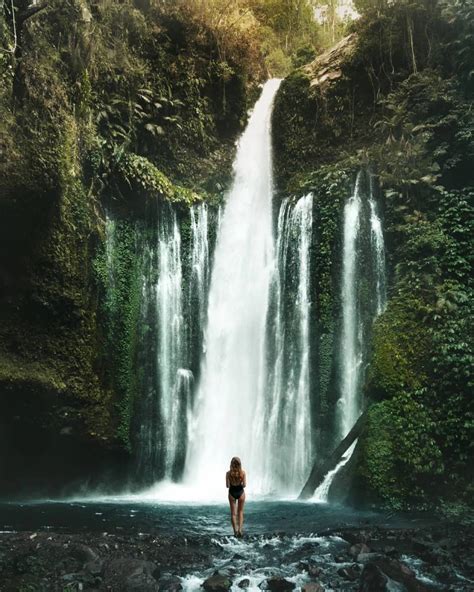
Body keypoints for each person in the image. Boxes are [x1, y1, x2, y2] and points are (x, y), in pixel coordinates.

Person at [226, 456, 246, 537]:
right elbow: (244, 485)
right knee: (240, 512)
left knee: (233, 514)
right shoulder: (243, 473)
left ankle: (235, 531)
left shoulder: (228, 473)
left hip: (232, 493)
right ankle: (240, 530)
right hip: (241, 492)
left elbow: (227, 486)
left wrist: (232, 483)